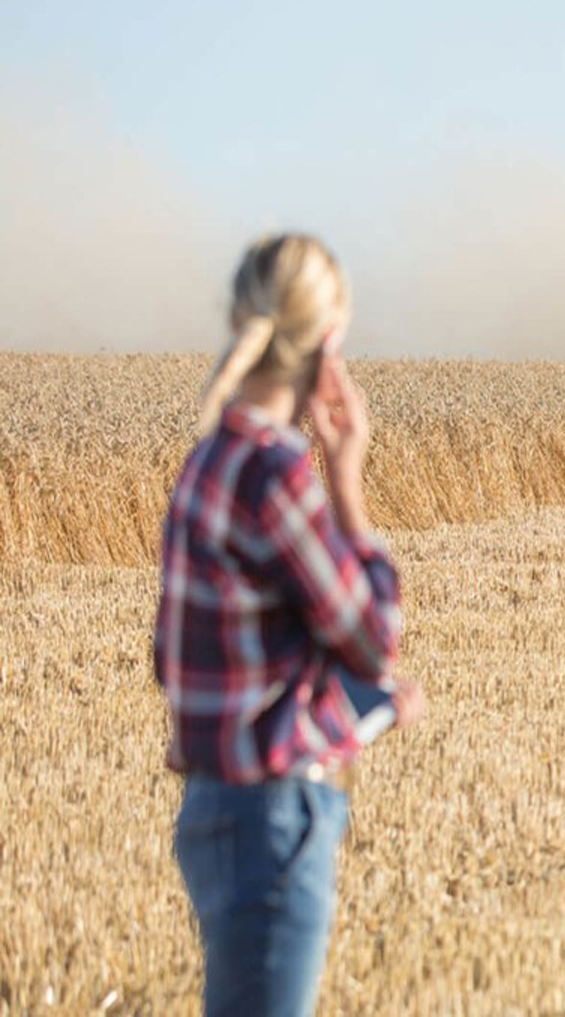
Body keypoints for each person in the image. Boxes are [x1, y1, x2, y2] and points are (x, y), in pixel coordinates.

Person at [155, 233, 420, 1016]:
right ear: (328, 343)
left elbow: (194, 664)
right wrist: (347, 481)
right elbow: (373, 638)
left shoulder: (206, 464)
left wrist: (357, 709)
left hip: (209, 812)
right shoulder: (276, 474)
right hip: (271, 826)